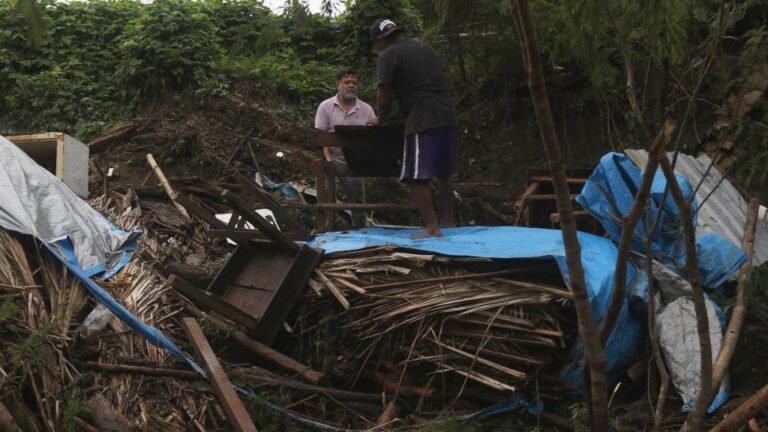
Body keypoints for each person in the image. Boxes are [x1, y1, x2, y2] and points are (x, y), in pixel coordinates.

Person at [369, 18, 458, 239]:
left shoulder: (388, 55)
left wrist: (381, 120)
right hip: (446, 115)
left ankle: (431, 227)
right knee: (443, 174)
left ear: (380, 41)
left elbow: (384, 94)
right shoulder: (424, 45)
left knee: (417, 176)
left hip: (422, 117)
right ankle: (449, 220)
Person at [314, 67, 377, 227]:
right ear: (338, 85)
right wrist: (329, 163)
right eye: (347, 82)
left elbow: (372, 138)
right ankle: (327, 232)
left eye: (354, 83)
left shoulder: (366, 109)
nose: (351, 86)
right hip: (331, 159)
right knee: (327, 198)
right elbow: (321, 137)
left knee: (357, 203)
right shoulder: (326, 106)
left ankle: (361, 234)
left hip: (356, 163)